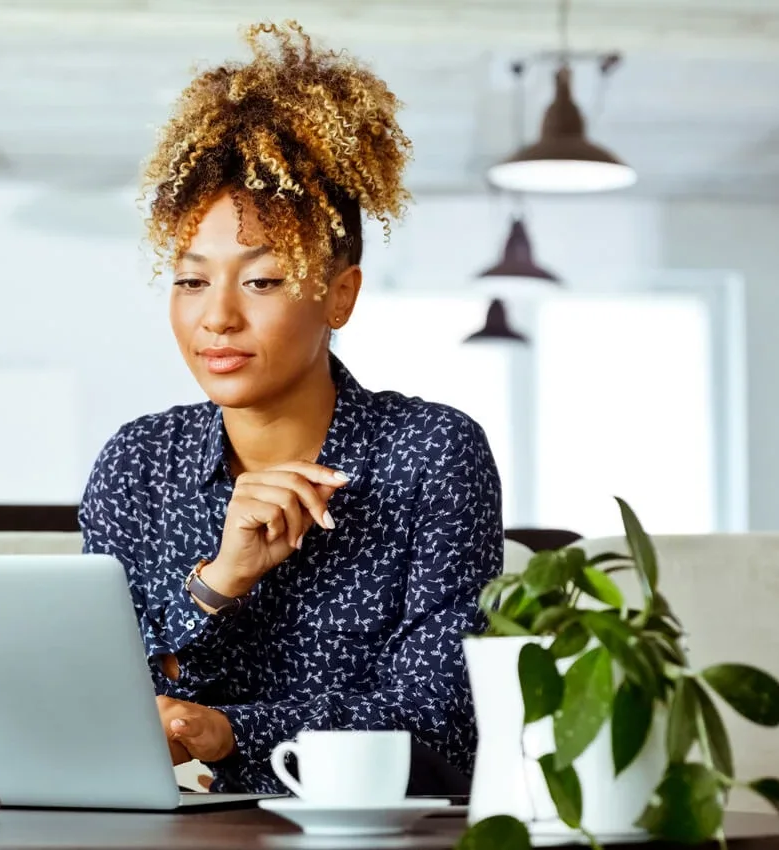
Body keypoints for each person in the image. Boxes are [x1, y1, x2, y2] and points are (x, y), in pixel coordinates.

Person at [78, 20, 503, 795]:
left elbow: (445, 724)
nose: (218, 318)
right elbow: (96, 701)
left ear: (340, 295)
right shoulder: (138, 466)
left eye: (263, 281)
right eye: (191, 280)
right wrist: (217, 583)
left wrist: (233, 731)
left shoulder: (431, 454)